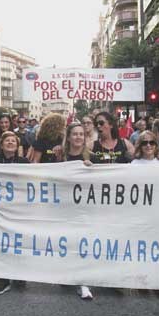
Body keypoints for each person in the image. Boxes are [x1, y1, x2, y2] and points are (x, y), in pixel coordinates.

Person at [0, 131, 29, 295]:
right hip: (0, 209)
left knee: (18, 242)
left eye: (13, 141)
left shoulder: (24, 162)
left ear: (17, 145)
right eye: (7, 141)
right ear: (1, 144)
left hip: (19, 209)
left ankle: (19, 275)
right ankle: (1, 281)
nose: (10, 143)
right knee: (0, 243)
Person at [62, 123, 94, 299]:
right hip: (65, 207)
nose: (78, 137)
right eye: (75, 134)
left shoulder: (92, 156)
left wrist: (92, 169)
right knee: (68, 242)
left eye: (81, 134)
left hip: (85, 208)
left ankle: (83, 282)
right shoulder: (61, 156)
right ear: (69, 137)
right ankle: (68, 275)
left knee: (83, 243)